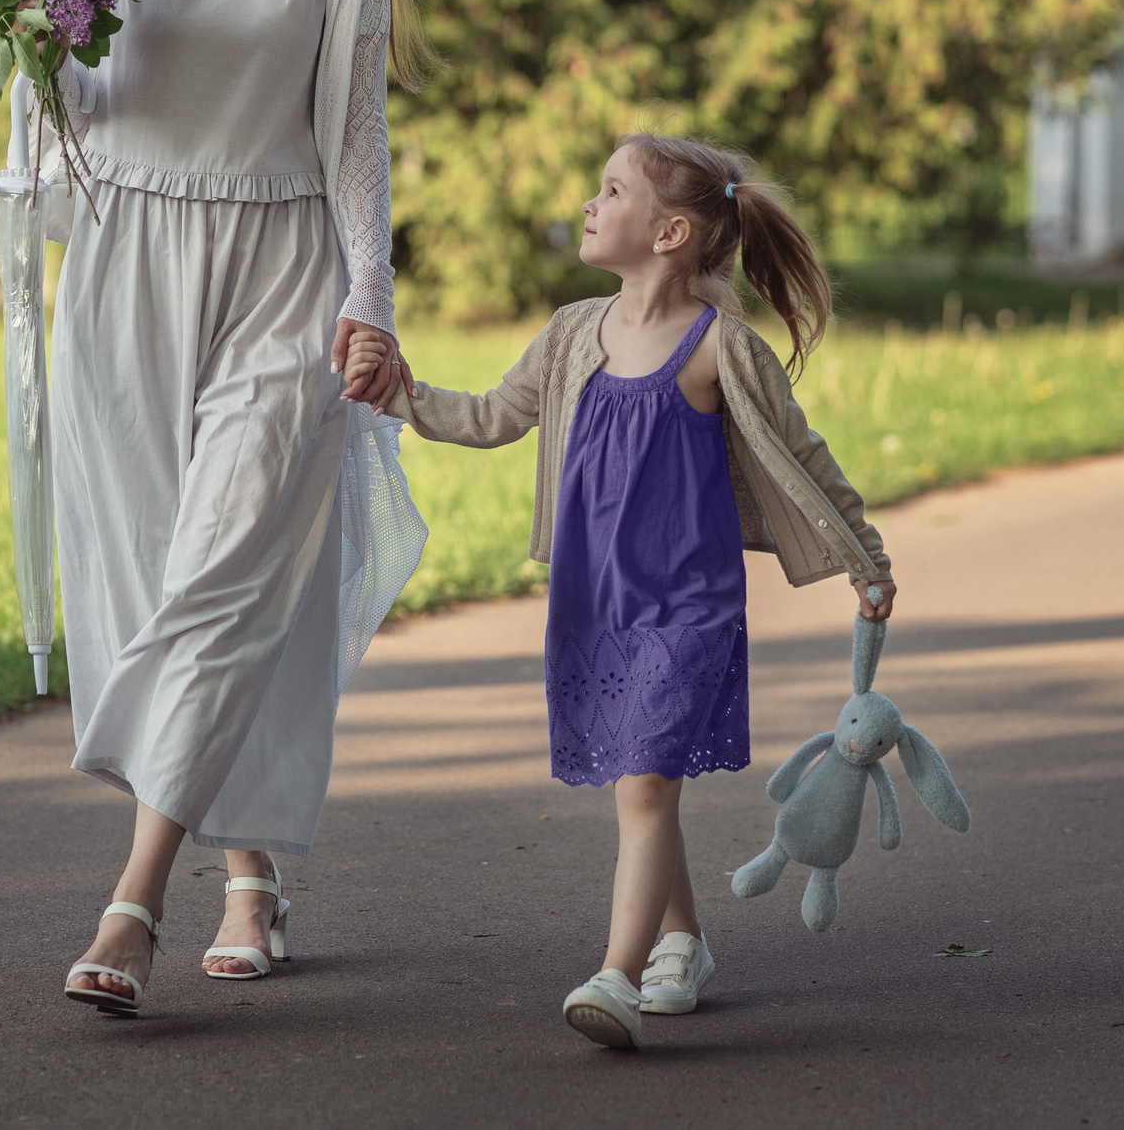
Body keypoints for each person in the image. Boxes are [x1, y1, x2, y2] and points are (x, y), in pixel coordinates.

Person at [43, 0, 429, 1016]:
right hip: (126, 271)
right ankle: (251, 870)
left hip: (282, 269)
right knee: (169, 572)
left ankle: (134, 897)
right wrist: (31, 42)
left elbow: (357, 136)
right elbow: (74, 107)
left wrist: (367, 303)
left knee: (226, 564)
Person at [353, 133, 898, 1050]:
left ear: (671, 231)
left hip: (688, 608)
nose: (589, 203)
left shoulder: (719, 346)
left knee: (645, 785)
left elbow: (802, 455)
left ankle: (616, 971)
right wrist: (403, 395)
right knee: (639, 782)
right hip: (594, 603)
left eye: (611, 190)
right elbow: (492, 416)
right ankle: (682, 938)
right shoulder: (574, 333)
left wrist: (865, 556)